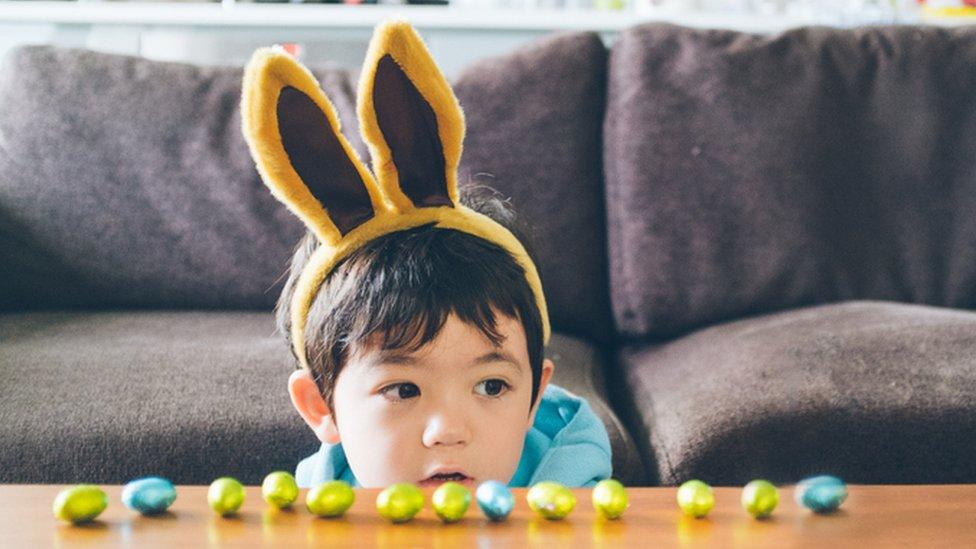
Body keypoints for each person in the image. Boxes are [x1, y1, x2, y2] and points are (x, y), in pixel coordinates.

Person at [240, 18, 611, 489]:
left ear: (535, 397)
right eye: (402, 389)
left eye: (492, 386)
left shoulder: (572, 494)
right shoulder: (315, 510)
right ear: (321, 406)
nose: (448, 432)